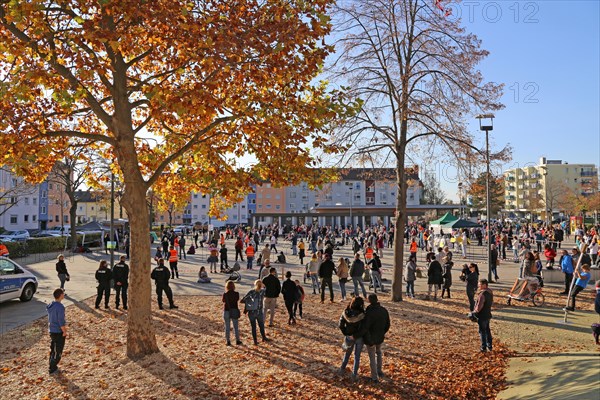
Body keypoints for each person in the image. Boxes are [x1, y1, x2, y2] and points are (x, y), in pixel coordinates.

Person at [362, 294, 390, 383]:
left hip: (370, 338)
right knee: (378, 353)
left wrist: (367, 338)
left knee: (372, 357)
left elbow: (365, 327)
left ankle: (374, 377)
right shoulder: (384, 310)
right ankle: (379, 371)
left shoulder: (369, 313)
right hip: (380, 336)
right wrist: (382, 332)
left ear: (369, 301)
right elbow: (387, 324)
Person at [338, 296, 366, 380]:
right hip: (359, 337)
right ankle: (354, 374)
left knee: (347, 354)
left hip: (349, 336)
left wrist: (346, 333)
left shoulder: (346, 312)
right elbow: (364, 327)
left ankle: (342, 369)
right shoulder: (362, 315)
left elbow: (340, 324)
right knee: (357, 356)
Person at [241, 280, 270, 345]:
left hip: (251, 312)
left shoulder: (251, 292)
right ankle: (264, 337)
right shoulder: (262, 292)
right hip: (259, 311)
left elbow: (243, 300)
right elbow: (266, 289)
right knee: (261, 325)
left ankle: (255, 341)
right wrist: (263, 285)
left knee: (253, 326)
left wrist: (249, 302)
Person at [47, 288, 67, 374]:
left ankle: (52, 364)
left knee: (53, 348)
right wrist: (64, 331)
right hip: (58, 331)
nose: (64, 295)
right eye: (63, 293)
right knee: (58, 350)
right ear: (60, 295)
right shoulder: (60, 307)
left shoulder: (51, 305)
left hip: (51, 329)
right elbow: (60, 321)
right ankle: (52, 368)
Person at [473, 279, 494, 352]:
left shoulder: (482, 294)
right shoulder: (490, 292)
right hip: (488, 314)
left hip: (482, 315)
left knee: (482, 331)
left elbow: (479, 306)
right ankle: (490, 346)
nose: (479, 286)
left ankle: (483, 347)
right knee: (487, 330)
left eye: (480, 284)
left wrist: (474, 312)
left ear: (484, 285)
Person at [222, 281, 241, 346]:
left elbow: (223, 301)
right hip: (234, 310)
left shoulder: (225, 294)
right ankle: (237, 340)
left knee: (227, 327)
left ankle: (228, 341)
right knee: (235, 326)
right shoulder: (236, 294)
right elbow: (237, 299)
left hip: (227, 310)